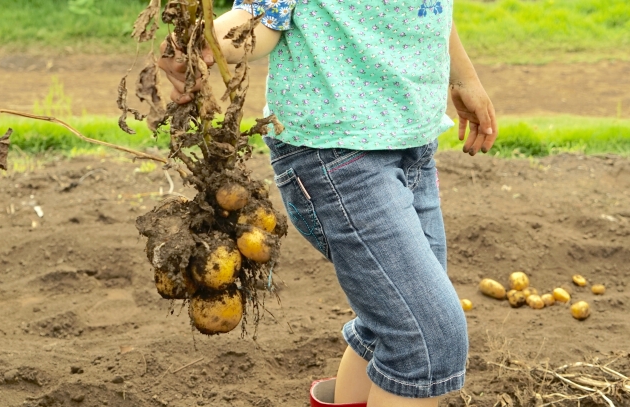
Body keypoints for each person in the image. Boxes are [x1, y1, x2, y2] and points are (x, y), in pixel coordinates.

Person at [159, 0, 498, 405]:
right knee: (426, 338)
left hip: (412, 146)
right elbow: (262, 16)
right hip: (337, 158)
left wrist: (464, 78)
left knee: (397, 321)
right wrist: (203, 43)